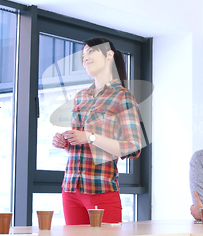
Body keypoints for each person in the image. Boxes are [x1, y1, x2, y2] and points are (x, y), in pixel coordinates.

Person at [52, 37, 142, 225]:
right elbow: (82, 145)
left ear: (109, 55)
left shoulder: (122, 96)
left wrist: (90, 137)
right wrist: (67, 143)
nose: (85, 58)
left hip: (101, 190)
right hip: (71, 189)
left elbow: (133, 148)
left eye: (91, 52)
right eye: (83, 54)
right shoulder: (80, 97)